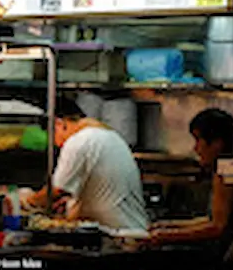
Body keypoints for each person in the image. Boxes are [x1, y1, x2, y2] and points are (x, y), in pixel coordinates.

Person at [22, 96, 148, 230]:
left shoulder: (78, 141)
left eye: (52, 135)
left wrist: (27, 201)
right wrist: (71, 202)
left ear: (59, 124)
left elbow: (58, 190)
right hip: (130, 229)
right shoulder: (106, 135)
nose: (56, 143)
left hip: (115, 235)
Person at [147, 108, 233, 257]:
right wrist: (169, 226)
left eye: (199, 140)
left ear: (217, 143)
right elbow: (212, 218)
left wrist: (167, 236)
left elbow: (217, 227)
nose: (196, 148)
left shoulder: (225, 174)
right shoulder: (226, 169)